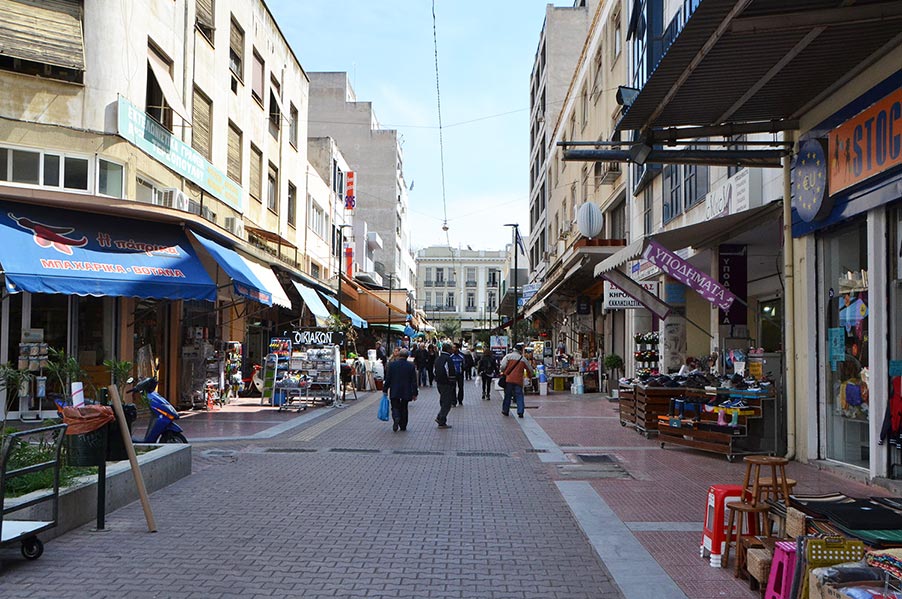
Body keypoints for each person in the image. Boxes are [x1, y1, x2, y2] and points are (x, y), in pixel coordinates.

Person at [383, 348, 418, 432]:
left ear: (399, 355)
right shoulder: (411, 366)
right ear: (407, 356)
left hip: (395, 389)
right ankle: (403, 425)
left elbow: (388, 378)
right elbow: (414, 380)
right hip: (406, 390)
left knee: (395, 406)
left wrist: (385, 389)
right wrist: (415, 393)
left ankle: (396, 417)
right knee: (404, 407)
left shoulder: (392, 365)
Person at [499, 343, 534, 418]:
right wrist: (530, 376)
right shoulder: (523, 359)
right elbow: (530, 369)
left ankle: (505, 410)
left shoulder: (508, 356)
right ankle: (520, 411)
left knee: (507, 395)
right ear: (520, 350)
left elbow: (502, 366)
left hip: (509, 379)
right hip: (518, 380)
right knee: (519, 396)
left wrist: (505, 371)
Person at [433, 342, 456, 428]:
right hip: (446, 383)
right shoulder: (448, 359)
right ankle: (441, 418)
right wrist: (451, 381)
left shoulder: (438, 358)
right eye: (451, 349)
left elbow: (434, 371)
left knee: (443, 400)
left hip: (439, 383)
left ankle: (441, 417)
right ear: (448, 350)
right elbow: (449, 371)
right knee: (447, 402)